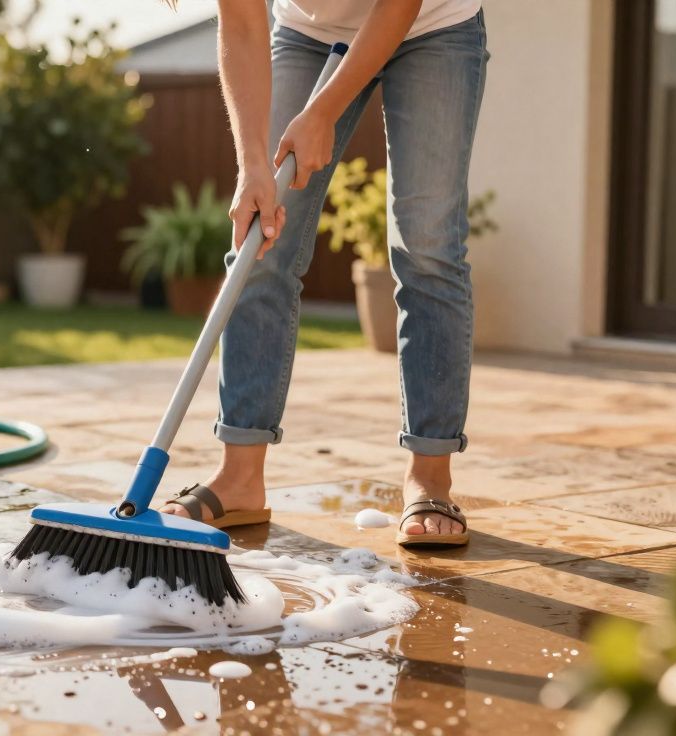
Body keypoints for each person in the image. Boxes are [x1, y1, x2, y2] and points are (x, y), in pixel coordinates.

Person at [160, 0, 488, 547]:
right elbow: (240, 25)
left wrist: (322, 111)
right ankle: (240, 478)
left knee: (428, 247)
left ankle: (430, 477)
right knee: (261, 243)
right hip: (307, 34)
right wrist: (253, 166)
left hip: (434, 23)